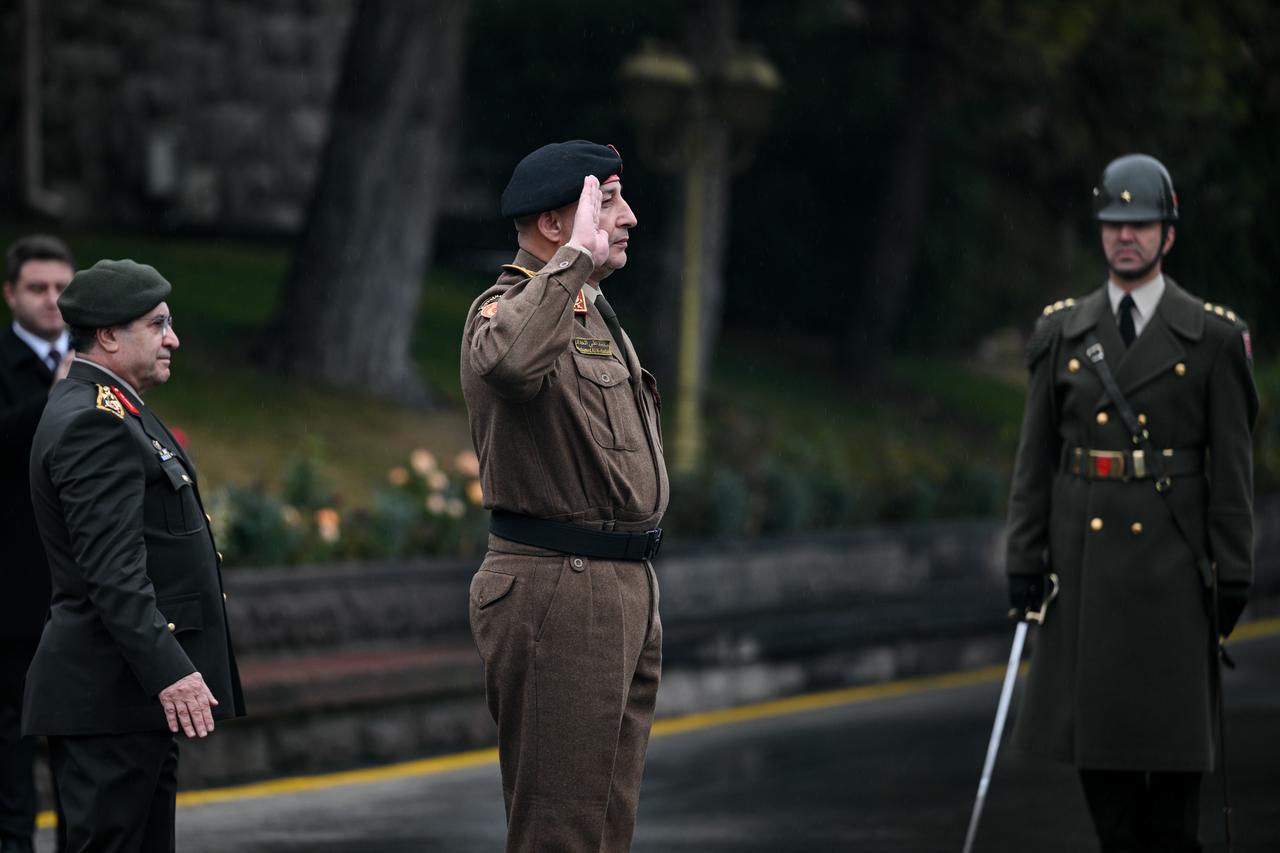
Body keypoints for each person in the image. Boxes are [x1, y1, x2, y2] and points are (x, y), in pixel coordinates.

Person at [1005, 154, 1257, 852]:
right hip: (1087, 576)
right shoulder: (1063, 332)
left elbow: (1233, 467)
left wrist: (1233, 567)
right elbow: (1035, 461)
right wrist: (1023, 559)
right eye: (1114, 224)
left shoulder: (1209, 337)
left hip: (1176, 576)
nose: (1126, 237)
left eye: (1141, 224)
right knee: (1106, 785)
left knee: (1173, 790)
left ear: (1168, 234)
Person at [460, 140, 667, 852]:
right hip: (560, 589)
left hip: (620, 588)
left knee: (607, 826)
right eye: (610, 199)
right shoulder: (502, 311)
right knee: (560, 831)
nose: (630, 216)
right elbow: (513, 362)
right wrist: (575, 258)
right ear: (557, 223)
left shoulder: (589, 311)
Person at [24, 259, 245, 852]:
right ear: (109, 335)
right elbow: (112, 572)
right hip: (109, 697)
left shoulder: (112, 408)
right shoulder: (94, 421)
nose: (173, 338)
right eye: (158, 324)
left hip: (124, 699)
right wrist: (171, 670)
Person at [0, 236, 74, 853]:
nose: (52, 301)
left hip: (80, 594)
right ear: (10, 295)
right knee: (11, 758)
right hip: (14, 598)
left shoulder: (99, 359)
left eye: (61, 288)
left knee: (82, 756)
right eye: (37, 288)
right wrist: (51, 395)